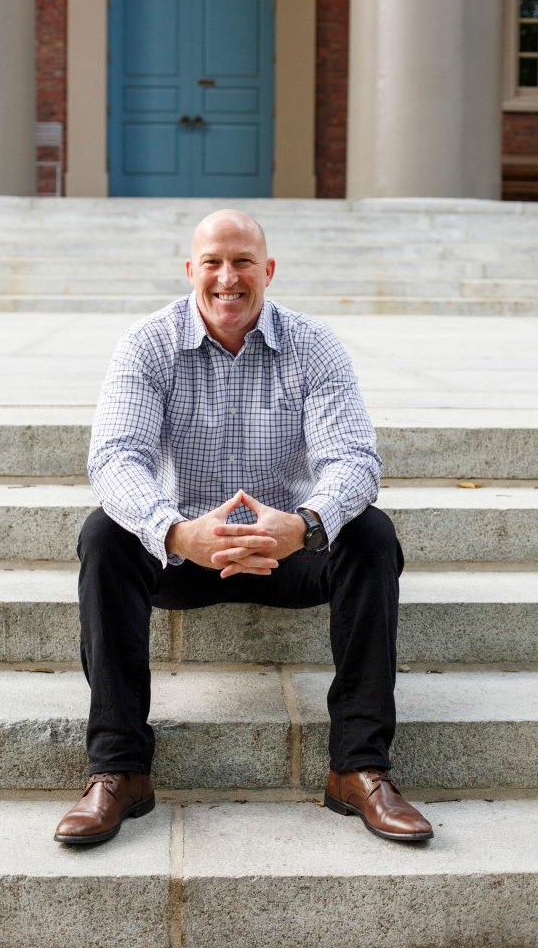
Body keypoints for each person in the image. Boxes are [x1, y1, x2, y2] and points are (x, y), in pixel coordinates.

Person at [54, 209, 433, 845]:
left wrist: (306, 524)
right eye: (213, 262)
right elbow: (116, 457)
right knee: (104, 534)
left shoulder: (313, 345)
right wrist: (175, 533)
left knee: (371, 534)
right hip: (184, 554)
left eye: (243, 262)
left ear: (268, 271)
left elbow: (354, 460)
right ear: (190, 271)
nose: (227, 278)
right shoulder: (148, 343)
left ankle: (357, 768)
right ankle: (120, 770)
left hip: (289, 549)